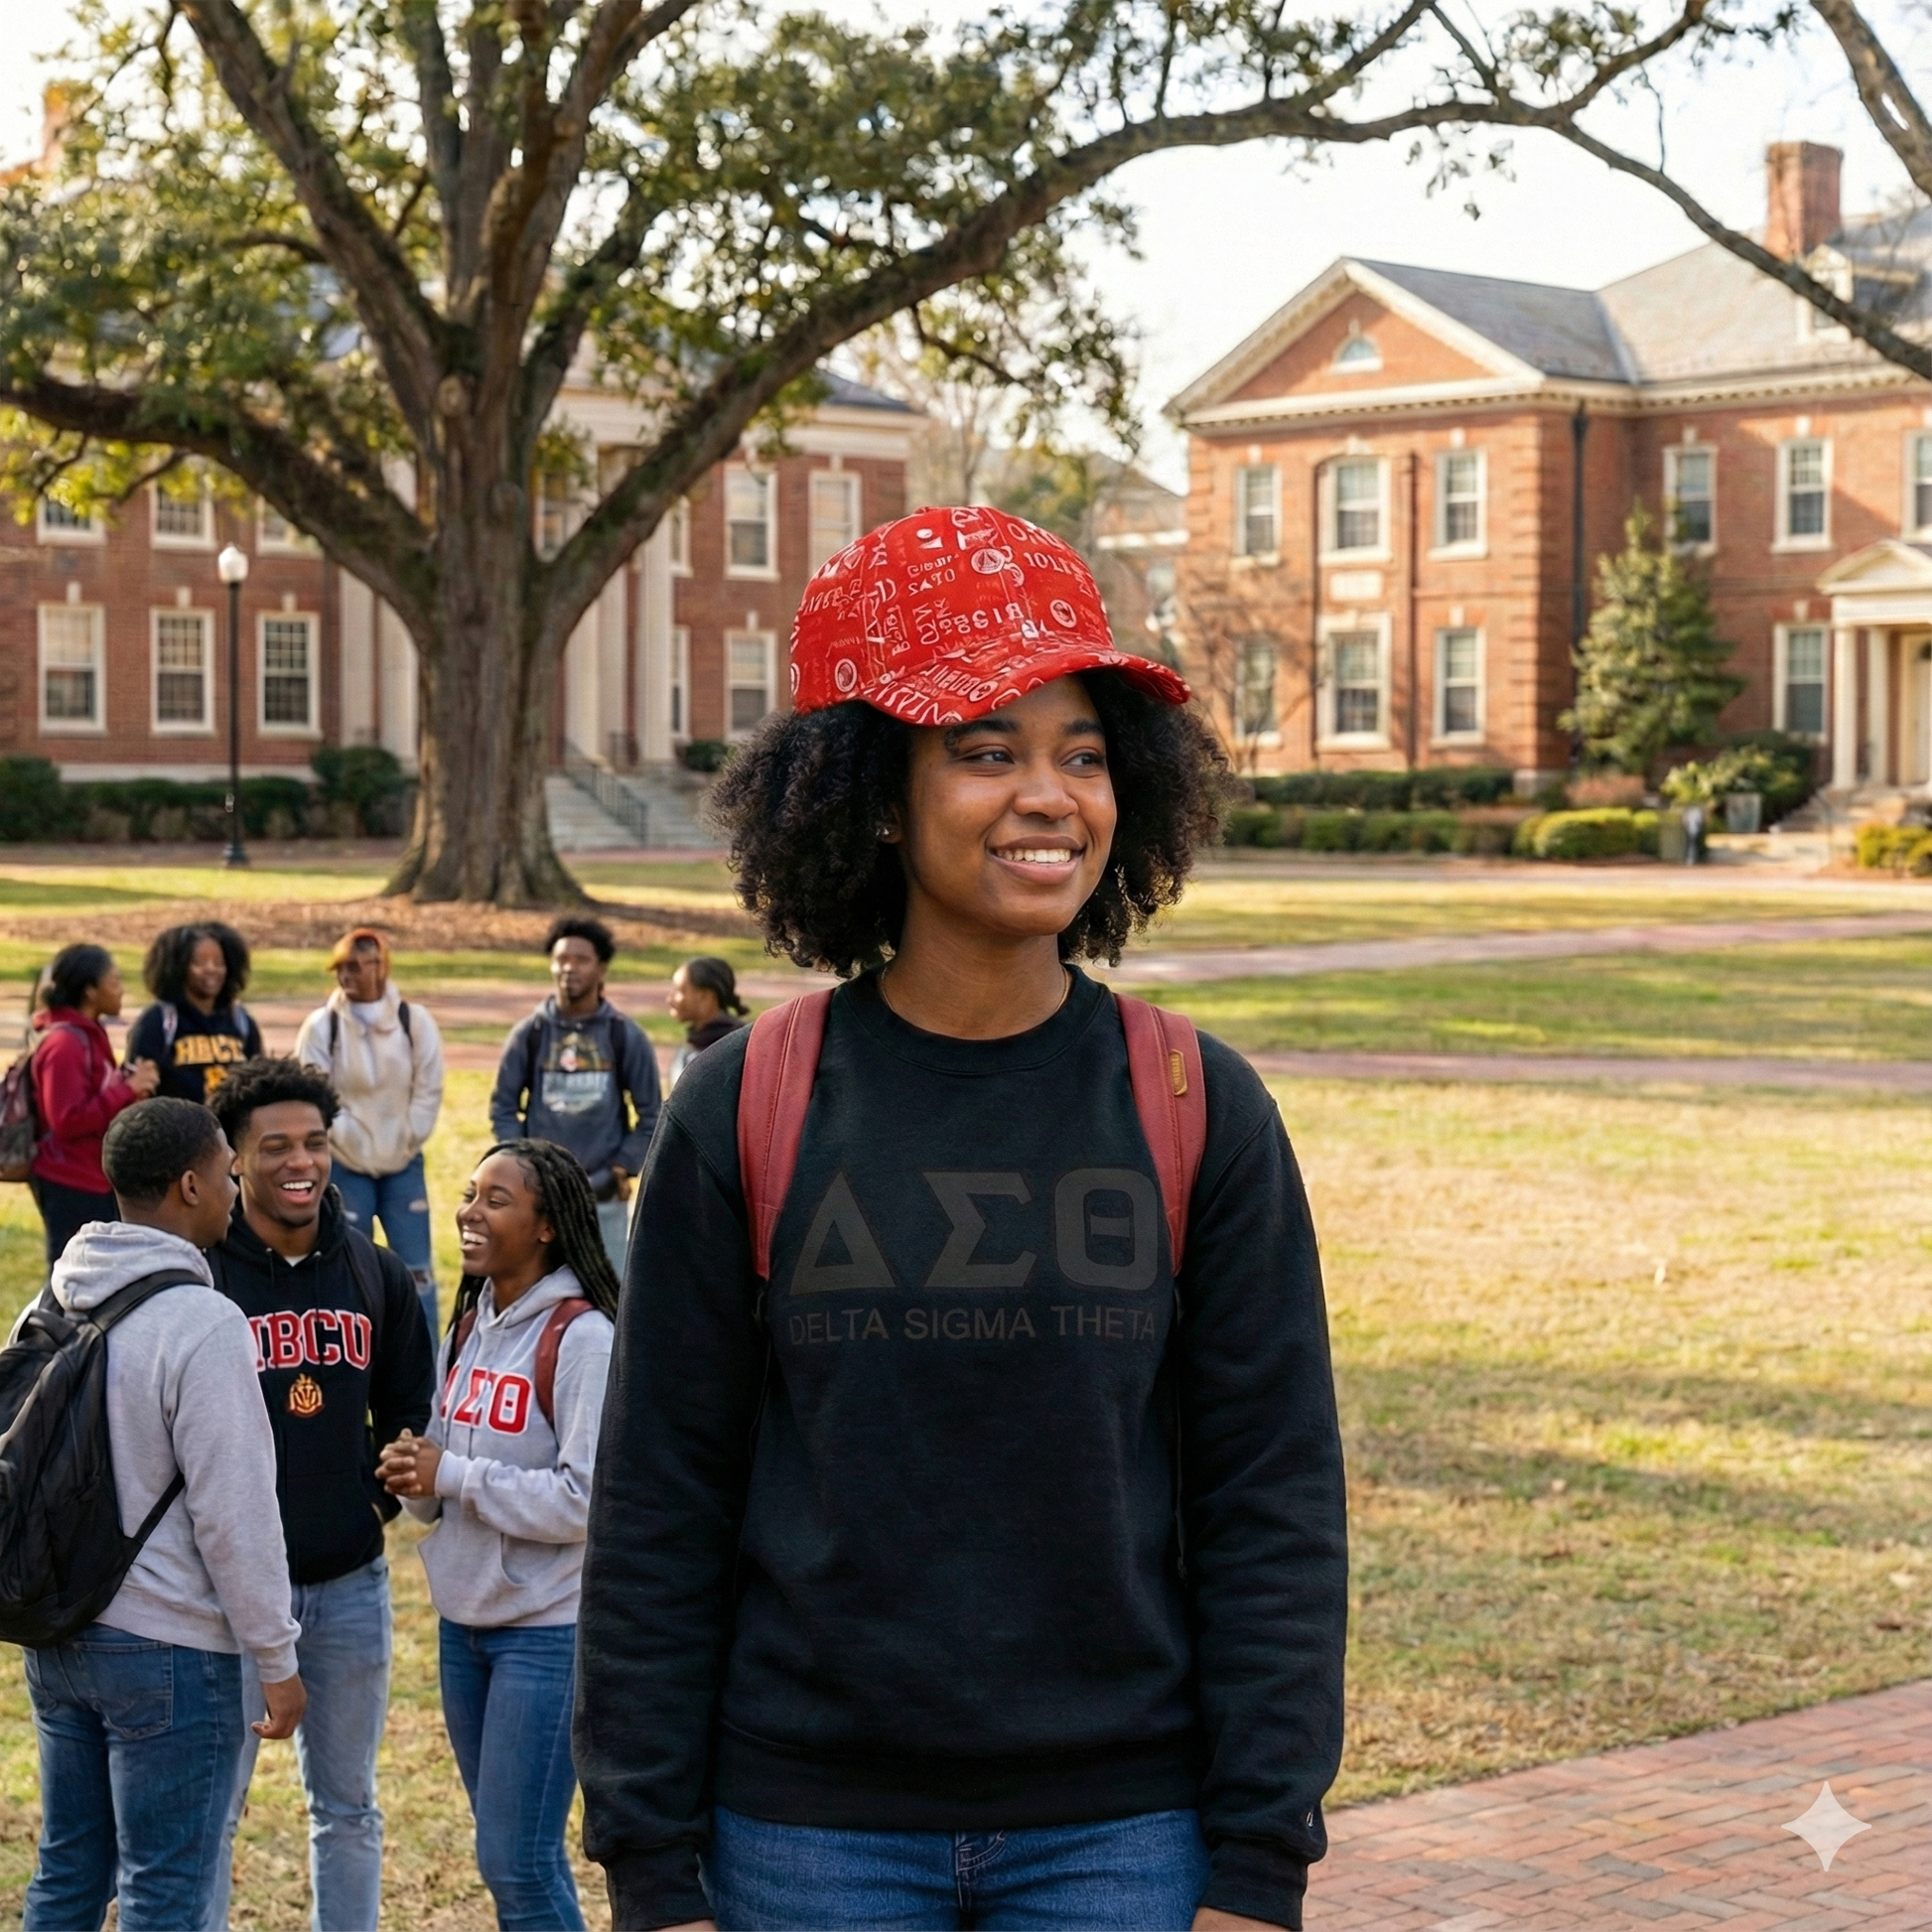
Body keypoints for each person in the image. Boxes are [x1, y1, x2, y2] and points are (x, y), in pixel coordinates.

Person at [575, 506, 1349, 1932]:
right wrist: (651, 1868)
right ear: (875, 788)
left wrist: (1254, 1864)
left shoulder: (1196, 1102)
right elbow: (658, 1502)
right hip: (803, 1834)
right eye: (984, 749)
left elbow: (1271, 1504)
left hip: (1123, 1834)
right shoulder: (746, 1103)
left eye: (1082, 750)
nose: (1047, 793)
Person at [21, 1097, 305, 1932]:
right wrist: (276, 1657)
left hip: (61, 1634)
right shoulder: (203, 1322)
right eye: (227, 1172)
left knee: (68, 1876)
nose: (235, 1187)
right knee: (167, 1892)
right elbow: (235, 1513)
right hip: (172, 1651)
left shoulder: (51, 1300)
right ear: (189, 1185)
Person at [205, 1055, 437, 1932]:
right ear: (232, 1159)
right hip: (221, 1594)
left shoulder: (374, 1273)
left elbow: (412, 1402)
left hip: (347, 1583)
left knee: (346, 1807)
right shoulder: (203, 1274)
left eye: (314, 1143)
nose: (300, 1162)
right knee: (211, 1815)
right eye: (274, 1147)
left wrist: (370, 1498)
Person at [377, 1139, 619, 1932]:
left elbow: (587, 1503)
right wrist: (416, 1477)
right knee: (501, 1855)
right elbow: (444, 1482)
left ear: (547, 1225)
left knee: (519, 1860)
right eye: (469, 1194)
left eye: (495, 1199)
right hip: (464, 1627)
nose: (468, 1212)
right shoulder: (468, 1325)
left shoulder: (583, 1339)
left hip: (545, 1634)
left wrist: (454, 1477)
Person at [294, 925, 448, 1335]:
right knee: (345, 1269)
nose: (349, 976)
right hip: (346, 1163)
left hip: (403, 1162)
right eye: (342, 967)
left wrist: (411, 1133)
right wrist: (349, 1139)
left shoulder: (413, 1022)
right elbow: (315, 1094)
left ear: (381, 967)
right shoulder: (321, 1027)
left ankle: (426, 1374)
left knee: (416, 1271)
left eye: (360, 967)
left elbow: (429, 1085)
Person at [489, 917, 659, 1278]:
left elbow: (652, 1116)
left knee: (608, 1301)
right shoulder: (529, 1034)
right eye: (561, 958)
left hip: (603, 1201)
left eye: (581, 959)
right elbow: (503, 1107)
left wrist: (620, 1168)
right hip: (539, 1202)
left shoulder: (624, 1035)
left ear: (602, 968)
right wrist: (525, 1165)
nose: (569, 967)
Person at [27, 944, 160, 1267]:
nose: (122, 990)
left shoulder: (89, 1034)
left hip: (94, 1176)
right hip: (70, 1181)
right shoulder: (64, 1044)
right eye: (114, 981)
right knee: (73, 1277)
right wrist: (127, 1090)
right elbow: (67, 1120)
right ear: (90, 990)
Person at [126, 921, 263, 1103]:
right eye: (199, 963)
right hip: (177, 1128)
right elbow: (138, 1092)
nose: (211, 969)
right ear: (179, 967)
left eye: (219, 963)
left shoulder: (241, 1022)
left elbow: (261, 1085)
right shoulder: (158, 1022)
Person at [665, 956, 749, 1090]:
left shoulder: (737, 1052)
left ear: (706, 997)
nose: (670, 998)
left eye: (680, 990)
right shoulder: (691, 1048)